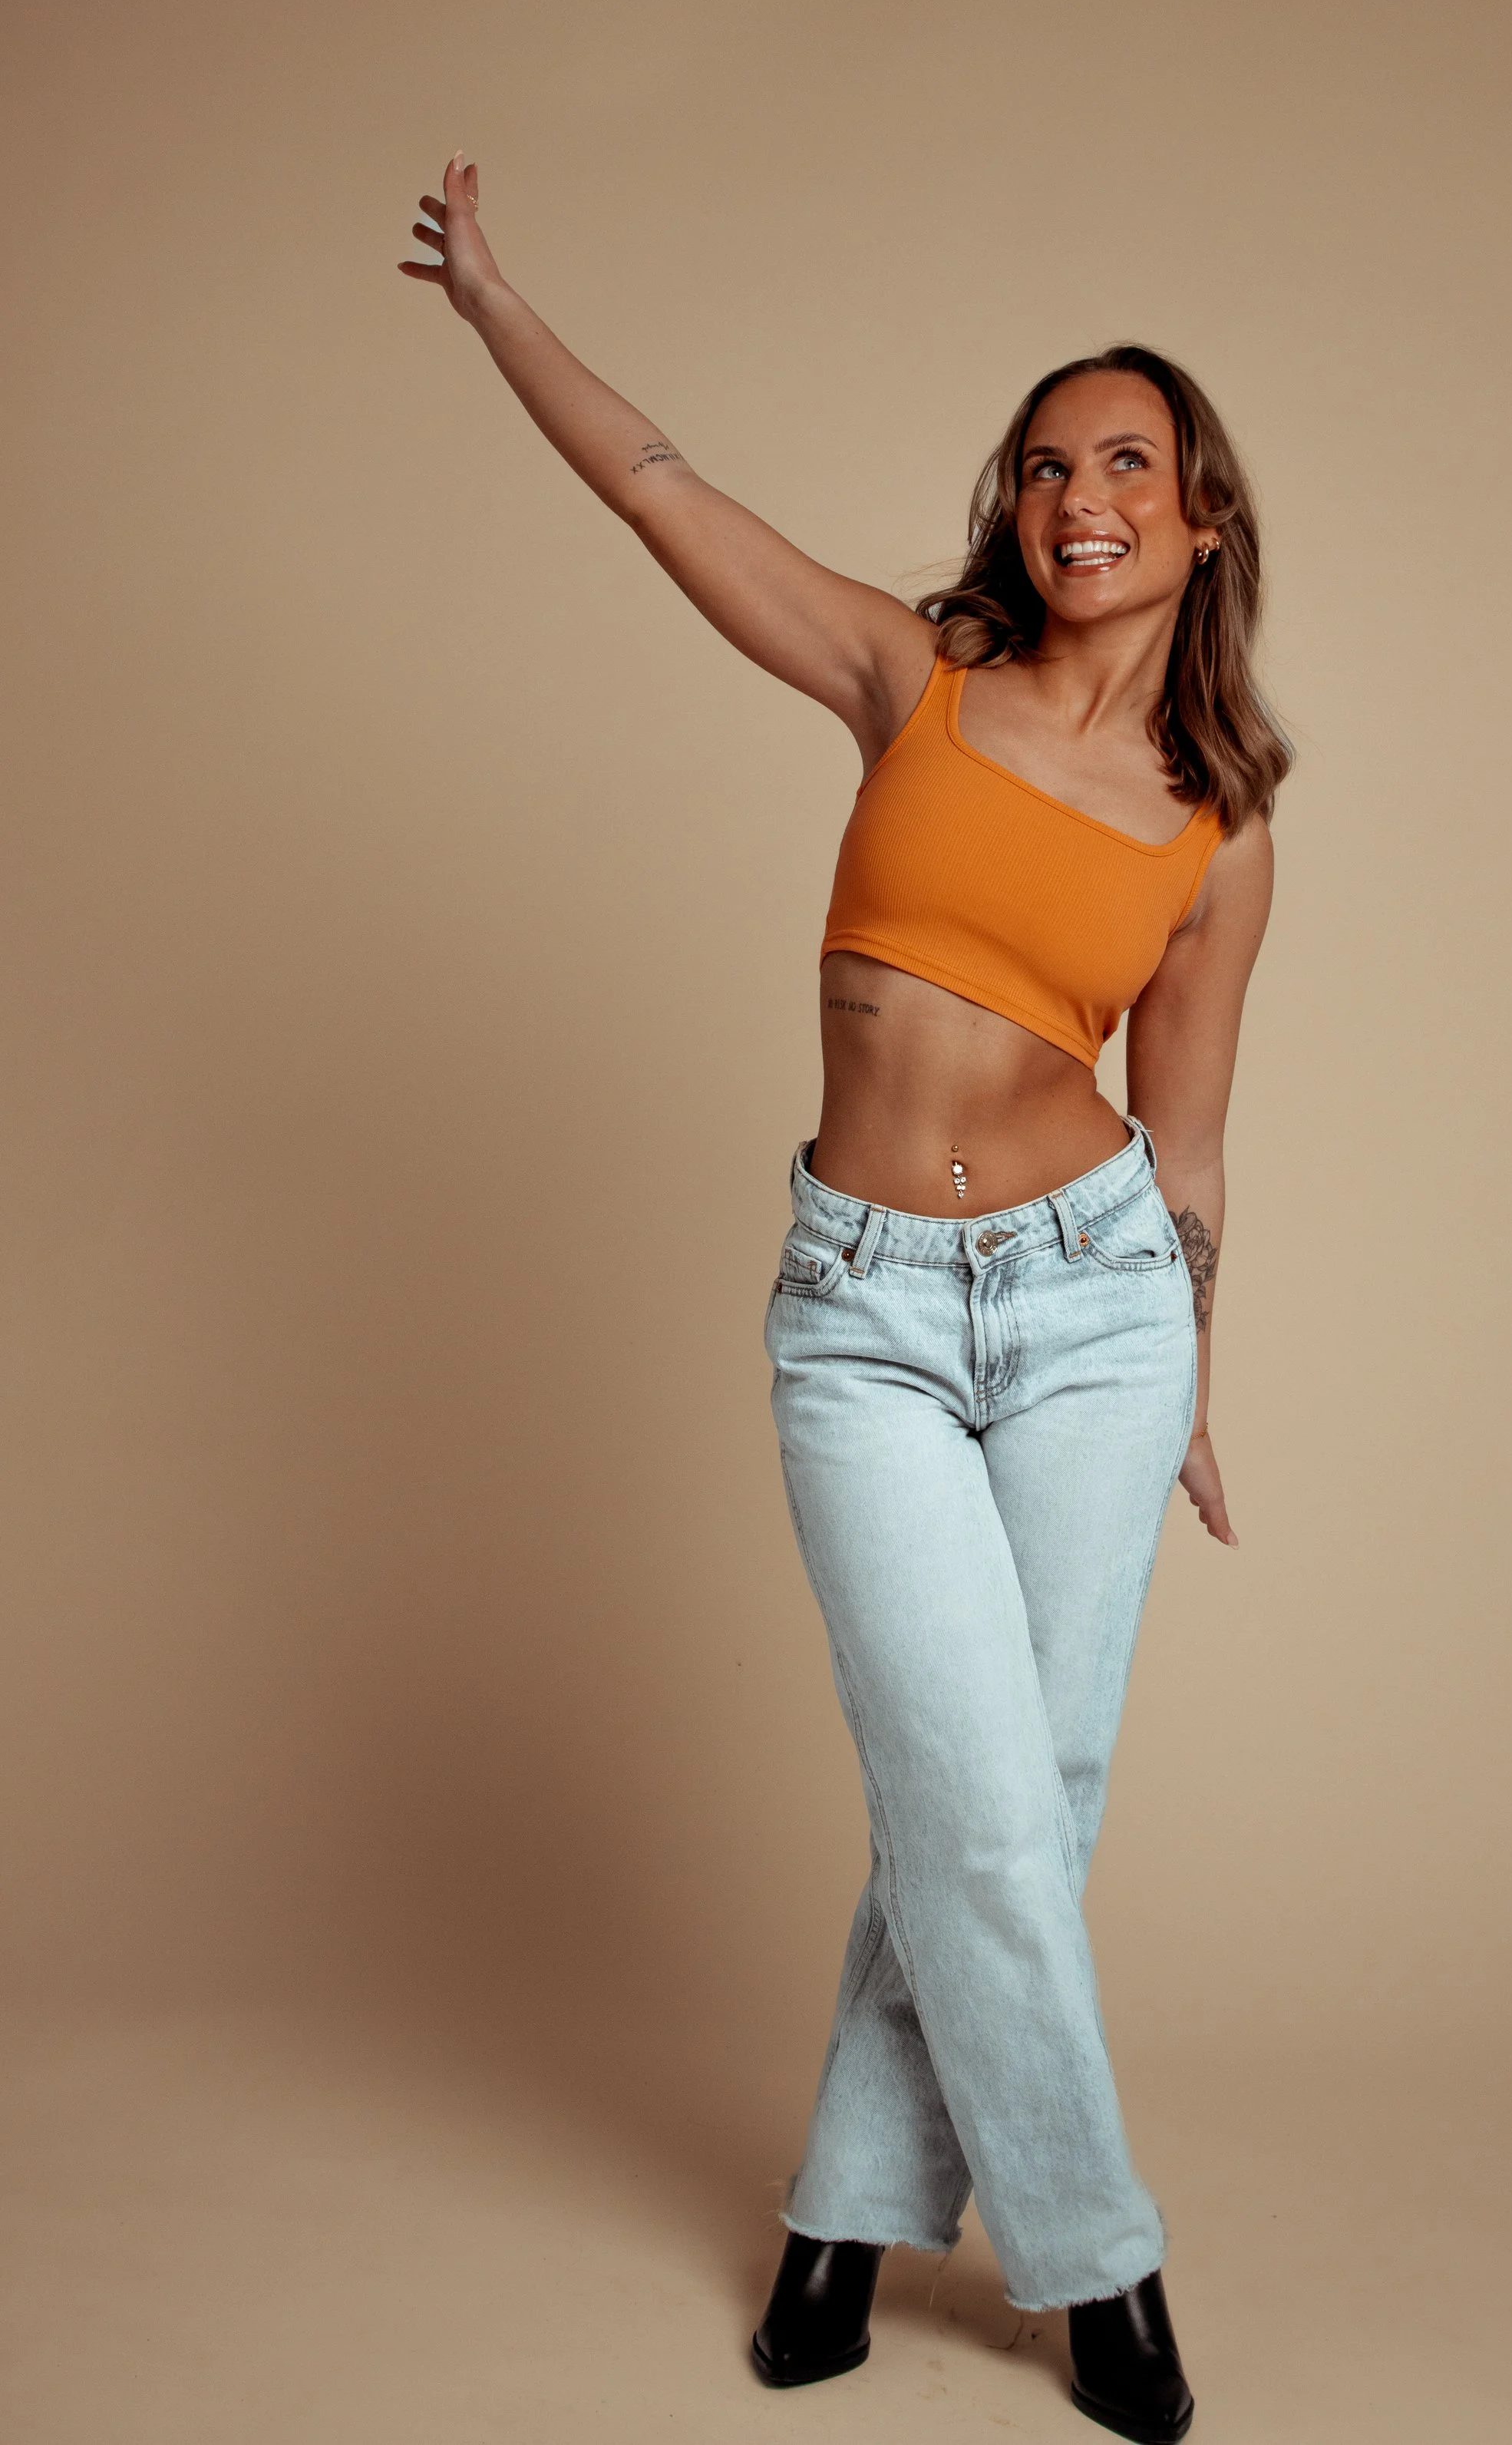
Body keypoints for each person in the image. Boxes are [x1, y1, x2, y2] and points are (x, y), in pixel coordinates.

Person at [401, 156, 1286, 2443]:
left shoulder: (1218, 820)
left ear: (1199, 518)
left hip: (1096, 1302)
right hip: (867, 1306)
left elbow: (1184, 1132)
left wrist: (1194, 1351)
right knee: (967, 1788)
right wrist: (498, 301)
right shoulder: (911, 672)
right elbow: (654, 485)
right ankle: (1100, 2260)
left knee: (1029, 1777)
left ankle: (840, 2206)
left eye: (1122, 462)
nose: (1072, 492)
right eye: (1046, 457)